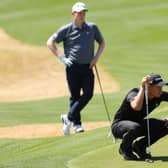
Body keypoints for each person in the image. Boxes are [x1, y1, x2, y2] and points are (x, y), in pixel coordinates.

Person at [47, 2, 105, 135]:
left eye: (84, 12)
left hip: (87, 66)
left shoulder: (92, 28)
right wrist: (62, 58)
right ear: (73, 14)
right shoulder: (66, 29)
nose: (82, 15)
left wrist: (96, 58)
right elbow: (50, 42)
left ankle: (68, 118)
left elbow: (102, 43)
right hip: (72, 67)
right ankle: (77, 124)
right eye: (79, 13)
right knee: (75, 96)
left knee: (88, 94)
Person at [112, 73, 168, 160]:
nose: (161, 89)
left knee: (166, 125)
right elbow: (136, 107)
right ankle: (124, 149)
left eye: (161, 87)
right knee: (135, 127)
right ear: (149, 87)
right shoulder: (134, 92)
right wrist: (142, 87)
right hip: (119, 126)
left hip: (138, 124)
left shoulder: (159, 95)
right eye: (158, 87)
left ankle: (139, 146)